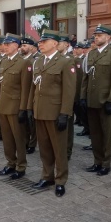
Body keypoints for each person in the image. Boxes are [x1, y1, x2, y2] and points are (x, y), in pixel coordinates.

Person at [29, 30, 76, 197]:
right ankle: (47, 176)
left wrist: (64, 113)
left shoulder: (65, 62)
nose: (40, 44)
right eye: (40, 42)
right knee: (45, 148)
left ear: (55, 43)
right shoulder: (39, 61)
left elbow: (69, 91)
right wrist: (30, 108)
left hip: (56, 113)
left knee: (59, 149)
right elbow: (34, 88)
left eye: (44, 41)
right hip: (40, 111)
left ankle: (61, 180)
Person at [81, 24, 111, 176]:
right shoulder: (91, 54)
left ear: (108, 37)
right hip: (92, 100)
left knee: (106, 134)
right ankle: (97, 161)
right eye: (95, 35)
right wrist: (83, 97)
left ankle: (106, 163)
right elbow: (86, 77)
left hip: (106, 101)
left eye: (100, 35)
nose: (96, 37)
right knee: (95, 133)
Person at [0, 33, 32, 180]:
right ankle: (10, 163)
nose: (4, 46)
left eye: (8, 44)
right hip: (3, 105)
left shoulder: (24, 63)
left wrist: (23, 108)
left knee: (19, 138)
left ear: (16, 46)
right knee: (7, 138)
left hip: (16, 106)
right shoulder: (3, 61)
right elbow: (0, 85)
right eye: (4, 44)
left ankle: (21, 166)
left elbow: (26, 88)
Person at [20, 37, 38, 154]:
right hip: (21, 95)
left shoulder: (35, 60)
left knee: (32, 122)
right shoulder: (21, 59)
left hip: (31, 94)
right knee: (24, 122)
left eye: (25, 46)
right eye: (21, 46)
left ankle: (32, 143)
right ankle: (26, 142)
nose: (23, 48)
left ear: (31, 47)